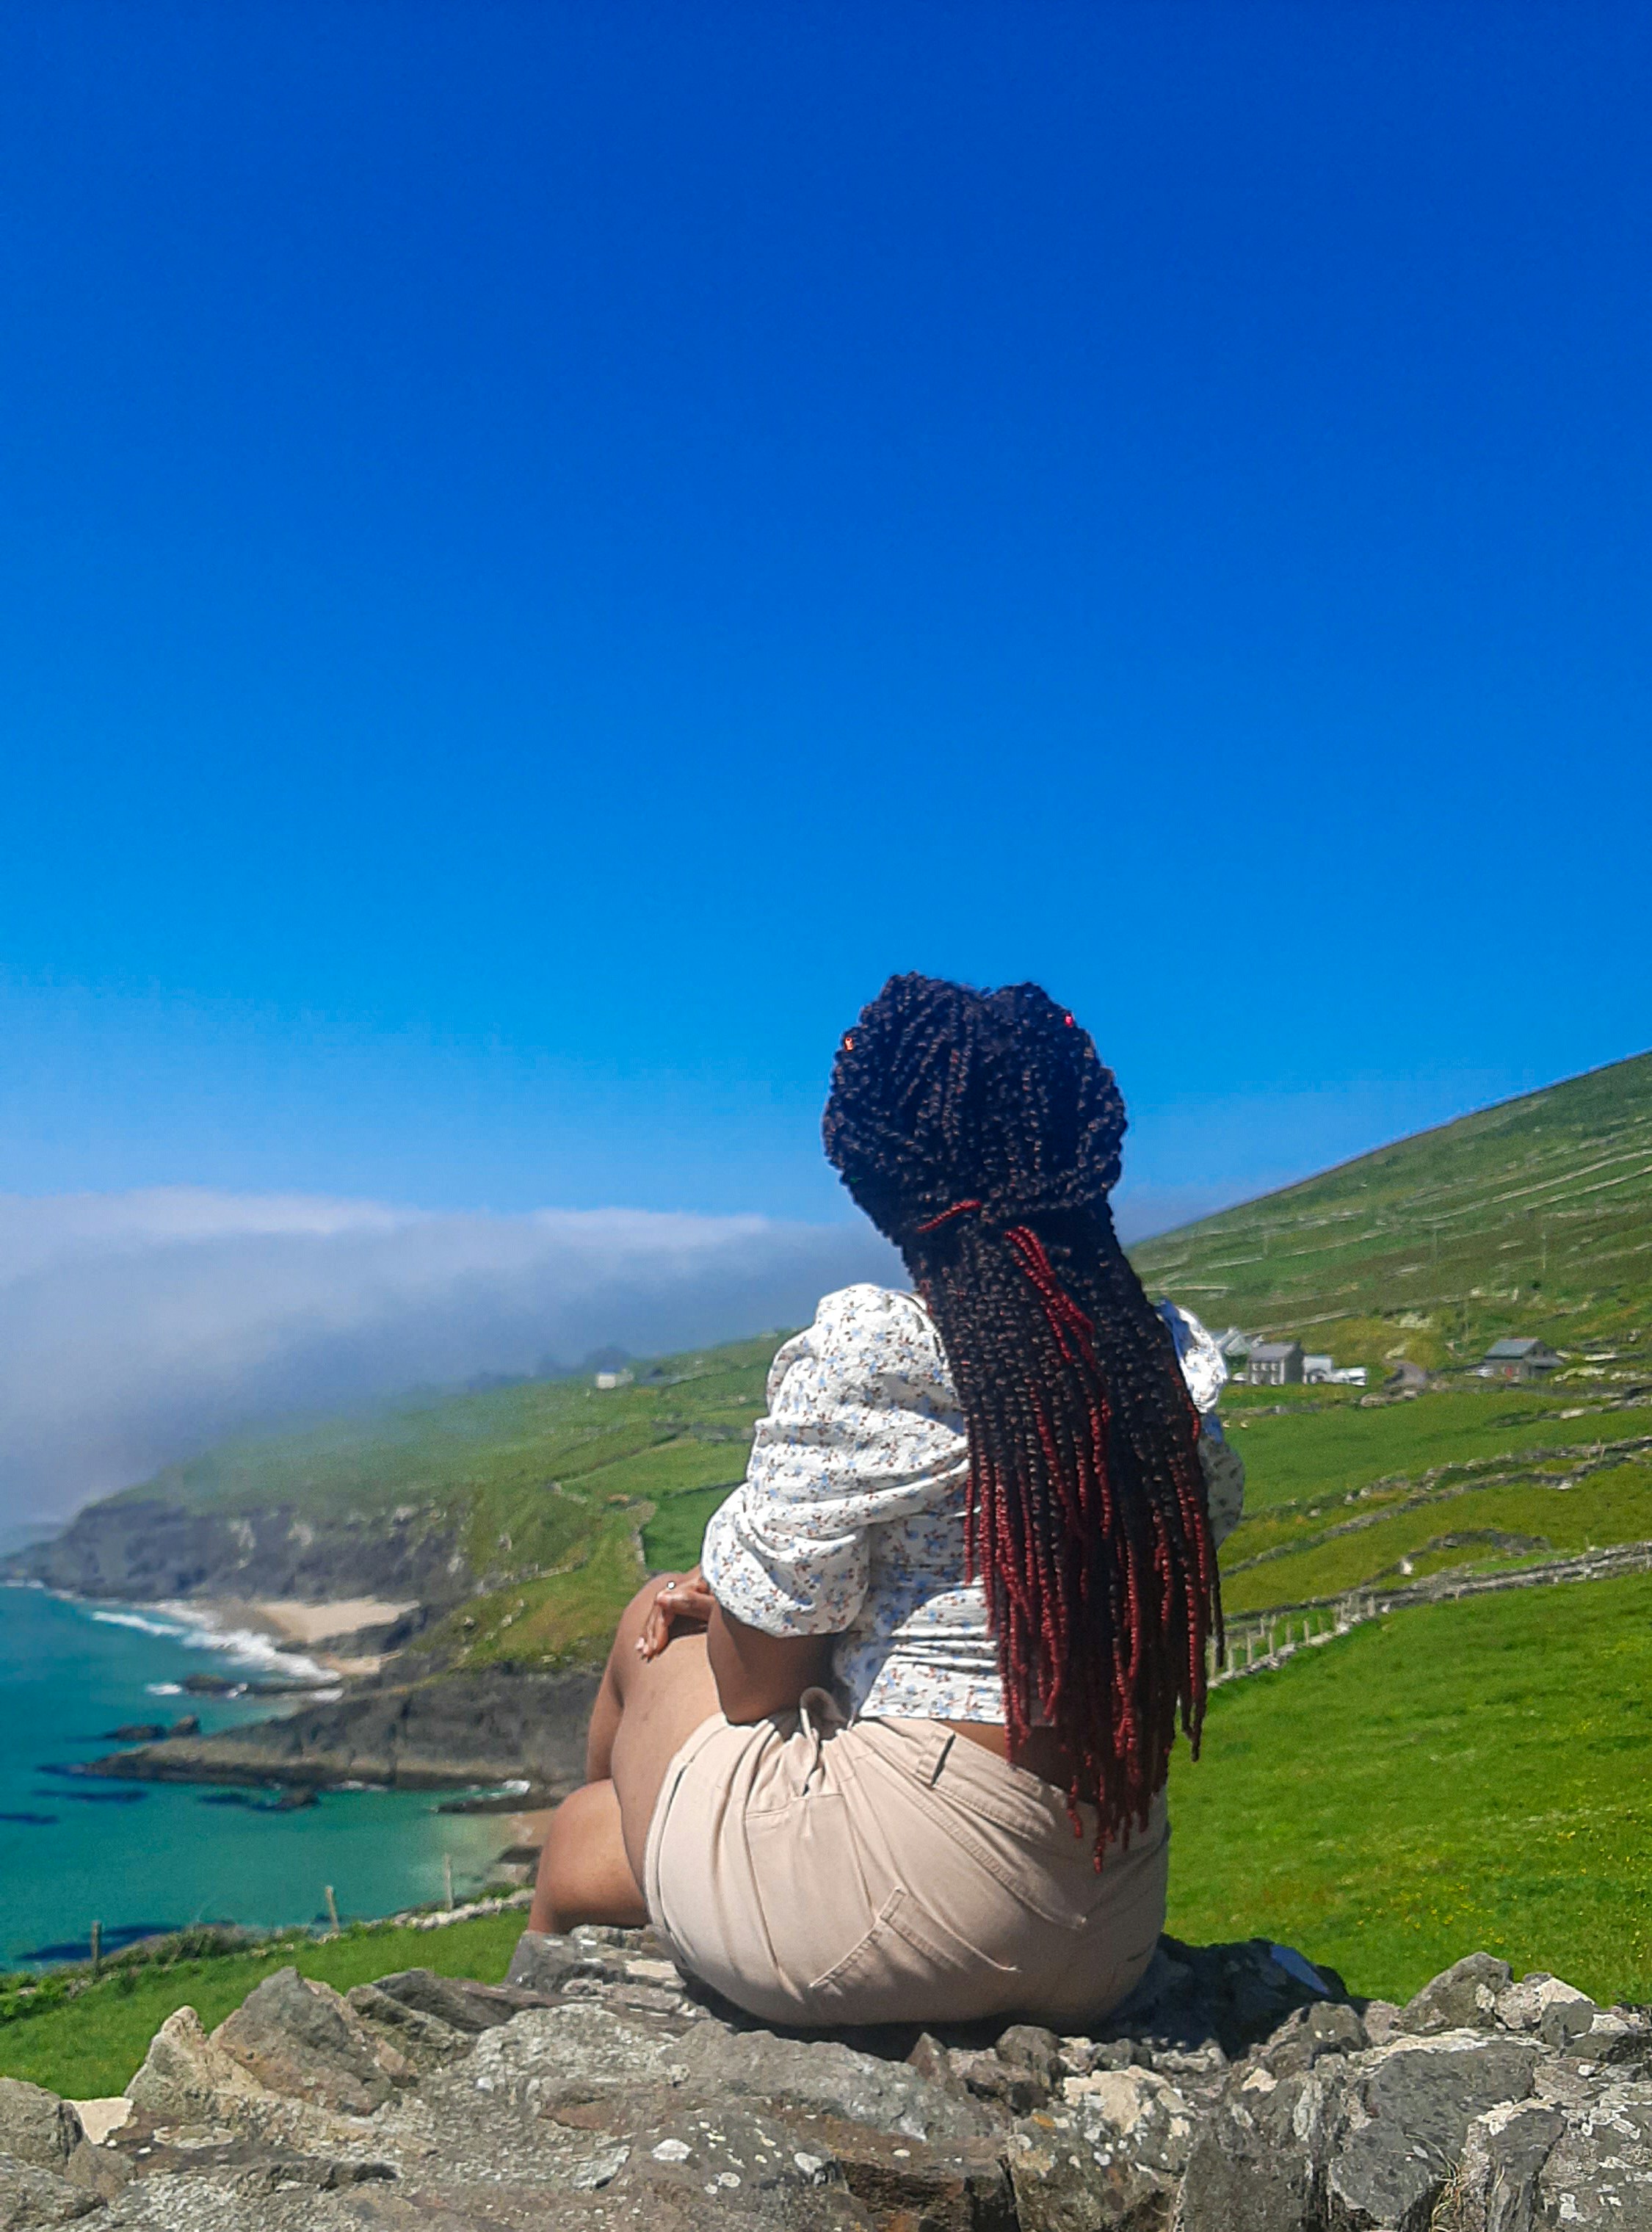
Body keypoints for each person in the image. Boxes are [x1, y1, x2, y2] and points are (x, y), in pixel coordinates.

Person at [529, 974, 1242, 2029]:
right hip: (1107, 1914)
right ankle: (624, 1849)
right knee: (581, 1842)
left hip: (902, 1900)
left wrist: (725, 1599)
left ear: (871, 1170)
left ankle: (535, 2027)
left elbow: (753, 1688)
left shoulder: (882, 1350)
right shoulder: (1158, 1365)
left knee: (652, 1628)